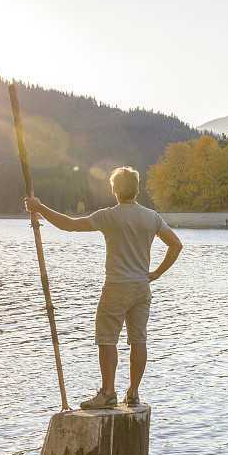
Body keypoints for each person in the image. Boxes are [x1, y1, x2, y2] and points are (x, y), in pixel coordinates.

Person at [24, 166, 183, 409]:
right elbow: (176, 245)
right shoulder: (152, 217)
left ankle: (108, 393)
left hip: (116, 287)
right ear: (137, 190)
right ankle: (133, 392)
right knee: (138, 340)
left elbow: (68, 225)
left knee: (107, 339)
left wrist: (39, 208)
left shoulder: (109, 215)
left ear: (114, 191)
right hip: (142, 287)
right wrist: (157, 273)